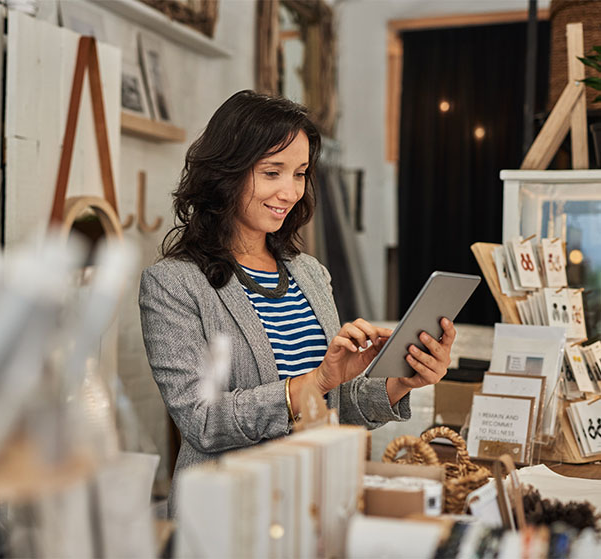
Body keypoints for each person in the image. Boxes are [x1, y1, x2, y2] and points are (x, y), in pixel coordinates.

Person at [139, 90, 456, 515]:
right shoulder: (173, 284)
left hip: (315, 500)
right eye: (273, 172)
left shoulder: (308, 272)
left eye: (300, 173)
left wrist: (402, 381)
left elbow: (337, 406)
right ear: (226, 172)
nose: (289, 191)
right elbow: (202, 420)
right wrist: (316, 381)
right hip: (229, 515)